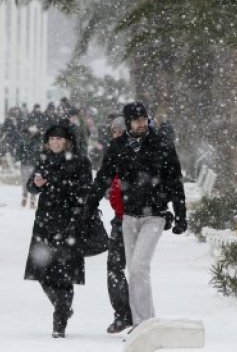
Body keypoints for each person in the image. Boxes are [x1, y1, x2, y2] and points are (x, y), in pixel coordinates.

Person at [86, 102, 187, 330]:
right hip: (129, 216)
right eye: (136, 120)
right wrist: (88, 207)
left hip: (155, 215)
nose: (141, 123)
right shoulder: (118, 147)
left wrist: (181, 215)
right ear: (129, 122)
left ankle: (144, 323)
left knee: (139, 266)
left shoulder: (161, 144)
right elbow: (103, 177)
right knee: (134, 269)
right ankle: (145, 320)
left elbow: (175, 181)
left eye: (144, 119)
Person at [23, 123, 94, 338]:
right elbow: (31, 186)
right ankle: (62, 308)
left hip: (69, 224)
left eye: (59, 139)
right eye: (51, 139)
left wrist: (57, 185)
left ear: (67, 141)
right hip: (45, 222)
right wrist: (37, 184)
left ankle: (59, 323)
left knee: (64, 276)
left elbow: (85, 191)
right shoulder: (44, 159)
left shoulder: (80, 161)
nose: (55, 143)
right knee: (42, 273)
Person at [104, 116, 132, 333]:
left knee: (137, 269)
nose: (117, 135)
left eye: (120, 131)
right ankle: (123, 314)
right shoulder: (112, 154)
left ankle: (138, 317)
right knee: (114, 267)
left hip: (137, 218)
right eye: (114, 132)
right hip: (119, 220)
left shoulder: (136, 152)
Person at [16, 125, 42, 208]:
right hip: (25, 164)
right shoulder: (24, 139)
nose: (32, 134)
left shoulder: (39, 140)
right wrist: (21, 157)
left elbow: (41, 152)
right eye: (31, 132)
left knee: (34, 182)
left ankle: (33, 199)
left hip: (35, 164)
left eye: (34, 132)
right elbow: (18, 150)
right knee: (24, 181)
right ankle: (24, 197)